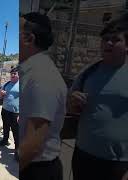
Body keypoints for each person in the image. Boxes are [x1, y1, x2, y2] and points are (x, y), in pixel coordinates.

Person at [68, 13, 128, 180]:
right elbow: (71, 109)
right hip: (83, 155)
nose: (108, 43)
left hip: (118, 162)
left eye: (115, 39)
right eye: (105, 39)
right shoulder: (88, 72)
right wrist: (73, 103)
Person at [19, 12, 67, 180]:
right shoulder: (33, 72)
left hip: (37, 170)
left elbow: (32, 146)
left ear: (28, 39)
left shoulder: (41, 76)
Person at [0, 67, 19, 161]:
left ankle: (18, 149)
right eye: (11, 73)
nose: (12, 75)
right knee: (5, 127)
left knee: (16, 131)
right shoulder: (6, 84)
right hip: (5, 110)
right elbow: (0, 96)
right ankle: (5, 140)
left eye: (15, 73)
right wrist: (1, 94)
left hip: (16, 113)